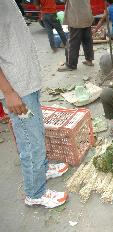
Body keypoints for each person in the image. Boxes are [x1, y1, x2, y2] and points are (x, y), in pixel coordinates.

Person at [0, 1, 68, 208]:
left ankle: (43, 169)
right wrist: (9, 92)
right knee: (30, 143)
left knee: (36, 132)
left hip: (28, 82)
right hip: (16, 89)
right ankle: (35, 192)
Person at [58, 0, 94, 72]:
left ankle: (71, 65)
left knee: (73, 43)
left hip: (76, 17)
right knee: (87, 40)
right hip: (86, 15)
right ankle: (89, 60)